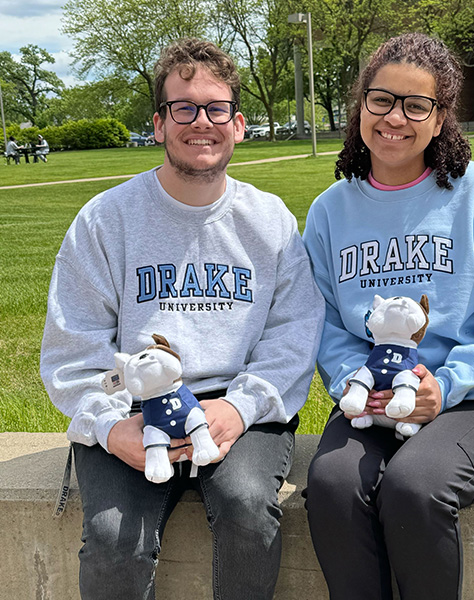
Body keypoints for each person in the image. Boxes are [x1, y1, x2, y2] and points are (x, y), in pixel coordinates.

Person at [40, 37, 324, 600]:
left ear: (238, 124)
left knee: (247, 506)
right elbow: (75, 348)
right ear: (160, 122)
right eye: (183, 108)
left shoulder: (269, 221)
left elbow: (294, 333)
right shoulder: (105, 221)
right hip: (134, 405)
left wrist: (241, 408)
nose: (202, 123)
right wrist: (107, 426)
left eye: (216, 109)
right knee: (111, 534)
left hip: (234, 402)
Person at [302, 33, 474, 600]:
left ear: (441, 119)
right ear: (360, 105)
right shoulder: (328, 212)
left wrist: (448, 383)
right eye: (383, 100)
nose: (397, 118)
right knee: (332, 483)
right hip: (376, 397)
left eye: (418, 105)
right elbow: (323, 325)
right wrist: (353, 385)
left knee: (415, 486)